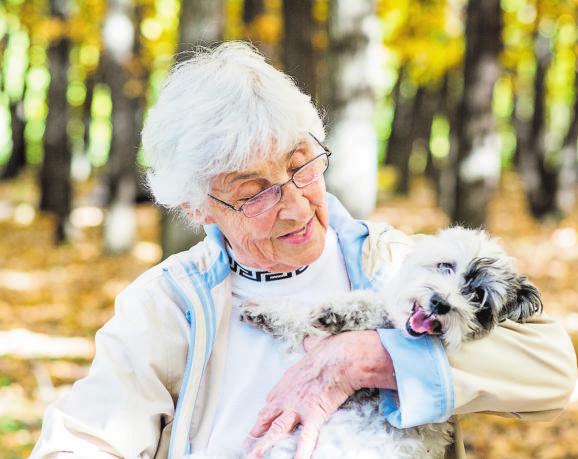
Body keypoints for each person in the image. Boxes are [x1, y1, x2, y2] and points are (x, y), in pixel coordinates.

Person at [32, 41, 576, 459]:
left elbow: (554, 373)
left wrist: (375, 357)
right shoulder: (169, 302)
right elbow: (86, 437)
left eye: (300, 167)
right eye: (253, 192)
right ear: (196, 208)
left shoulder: (400, 265)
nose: (294, 206)